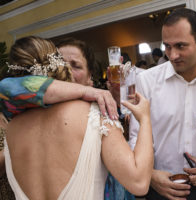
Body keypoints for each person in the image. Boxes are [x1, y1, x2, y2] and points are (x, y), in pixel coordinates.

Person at [4, 35, 153, 199]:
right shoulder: (95, 115)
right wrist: (145, 118)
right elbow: (138, 182)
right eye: (64, 63)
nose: (68, 71)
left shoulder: (12, 128)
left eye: (75, 66)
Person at [129, 8, 196, 200]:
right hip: (158, 189)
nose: (172, 55)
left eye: (181, 46)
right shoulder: (147, 81)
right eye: (167, 46)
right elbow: (135, 136)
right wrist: (151, 176)